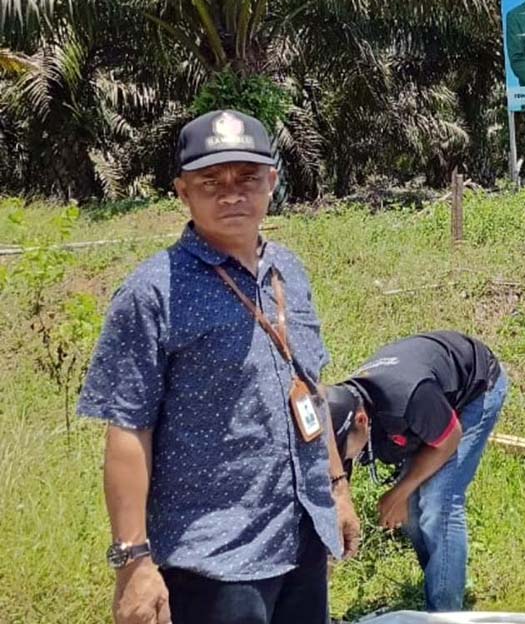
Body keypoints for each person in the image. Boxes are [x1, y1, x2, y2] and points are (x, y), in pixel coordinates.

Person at [77, 110, 360, 624]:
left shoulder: (288, 272)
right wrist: (133, 561)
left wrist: (336, 490)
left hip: (300, 536)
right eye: (211, 182)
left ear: (272, 182)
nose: (232, 193)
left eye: (247, 178)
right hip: (213, 558)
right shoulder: (153, 292)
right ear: (182, 192)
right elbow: (127, 430)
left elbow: (310, 390)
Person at [325, 332, 507, 612]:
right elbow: (331, 502)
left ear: (362, 420)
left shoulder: (407, 397)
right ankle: (445, 577)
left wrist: (399, 492)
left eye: (345, 453)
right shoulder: (342, 415)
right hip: (428, 409)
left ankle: (445, 615)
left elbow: (449, 439)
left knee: (438, 501)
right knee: (410, 511)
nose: (347, 461)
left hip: (476, 390)